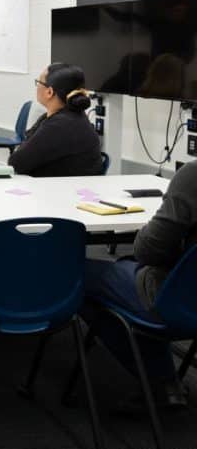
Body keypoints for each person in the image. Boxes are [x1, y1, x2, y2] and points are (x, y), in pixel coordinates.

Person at [82, 160, 197, 410]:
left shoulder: (193, 176)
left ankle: (160, 380)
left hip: (178, 300)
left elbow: (148, 251)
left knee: (80, 277)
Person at [8, 63, 103, 177]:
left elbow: (16, 163)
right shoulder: (70, 117)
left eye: (39, 82)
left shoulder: (61, 125)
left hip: (63, 191)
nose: (37, 86)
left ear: (49, 92)